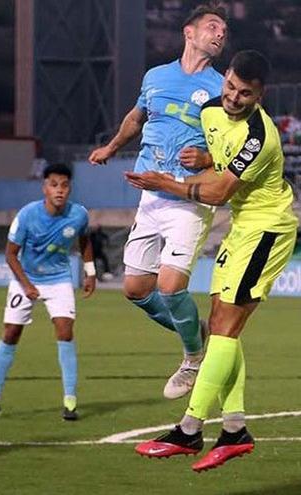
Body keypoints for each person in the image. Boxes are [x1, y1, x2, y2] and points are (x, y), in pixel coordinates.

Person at [126, 50, 298, 472]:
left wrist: (168, 183)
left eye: (245, 94)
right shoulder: (209, 111)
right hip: (241, 229)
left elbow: (219, 192)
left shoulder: (261, 135)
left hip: (268, 229)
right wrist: (201, 164)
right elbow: (217, 170)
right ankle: (235, 429)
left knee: (223, 328)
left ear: (261, 95)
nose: (234, 99)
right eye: (231, 87)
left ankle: (189, 430)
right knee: (223, 325)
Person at [87, 3, 228, 400]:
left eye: (224, 30)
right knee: (135, 288)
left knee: (168, 286)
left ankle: (192, 359)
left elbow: (234, 149)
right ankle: (196, 332)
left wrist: (207, 159)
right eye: (213, 27)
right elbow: (137, 117)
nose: (220, 35)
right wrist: (112, 147)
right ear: (189, 32)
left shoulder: (221, 88)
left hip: (189, 197)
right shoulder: (156, 76)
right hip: (150, 194)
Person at [0, 163, 96, 422]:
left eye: (64, 185)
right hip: (26, 278)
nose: (60, 190)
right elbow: (10, 255)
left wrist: (90, 272)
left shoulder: (78, 214)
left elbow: (85, 240)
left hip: (58, 280)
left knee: (65, 331)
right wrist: (27, 285)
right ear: (44, 187)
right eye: (54, 185)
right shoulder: (27, 215)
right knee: (11, 334)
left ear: (70, 188)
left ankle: (70, 400)